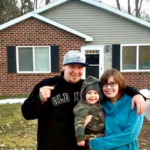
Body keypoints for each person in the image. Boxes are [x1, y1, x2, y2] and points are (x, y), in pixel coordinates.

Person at [21, 50, 146, 150]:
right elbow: (27, 113)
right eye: (72, 66)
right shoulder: (47, 85)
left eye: (80, 67)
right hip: (51, 146)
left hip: (80, 146)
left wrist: (136, 94)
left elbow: (111, 85)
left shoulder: (87, 86)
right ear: (64, 66)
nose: (76, 71)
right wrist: (40, 99)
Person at [89, 69, 144, 150]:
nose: (108, 87)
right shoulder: (99, 105)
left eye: (112, 84)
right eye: (105, 84)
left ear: (120, 84)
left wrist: (98, 143)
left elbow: (131, 134)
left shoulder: (133, 103)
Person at [74, 76, 105, 149]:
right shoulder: (83, 108)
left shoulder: (99, 104)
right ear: (84, 95)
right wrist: (80, 138)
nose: (92, 96)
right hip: (90, 136)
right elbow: (79, 122)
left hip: (101, 135)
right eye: (89, 93)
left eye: (95, 93)